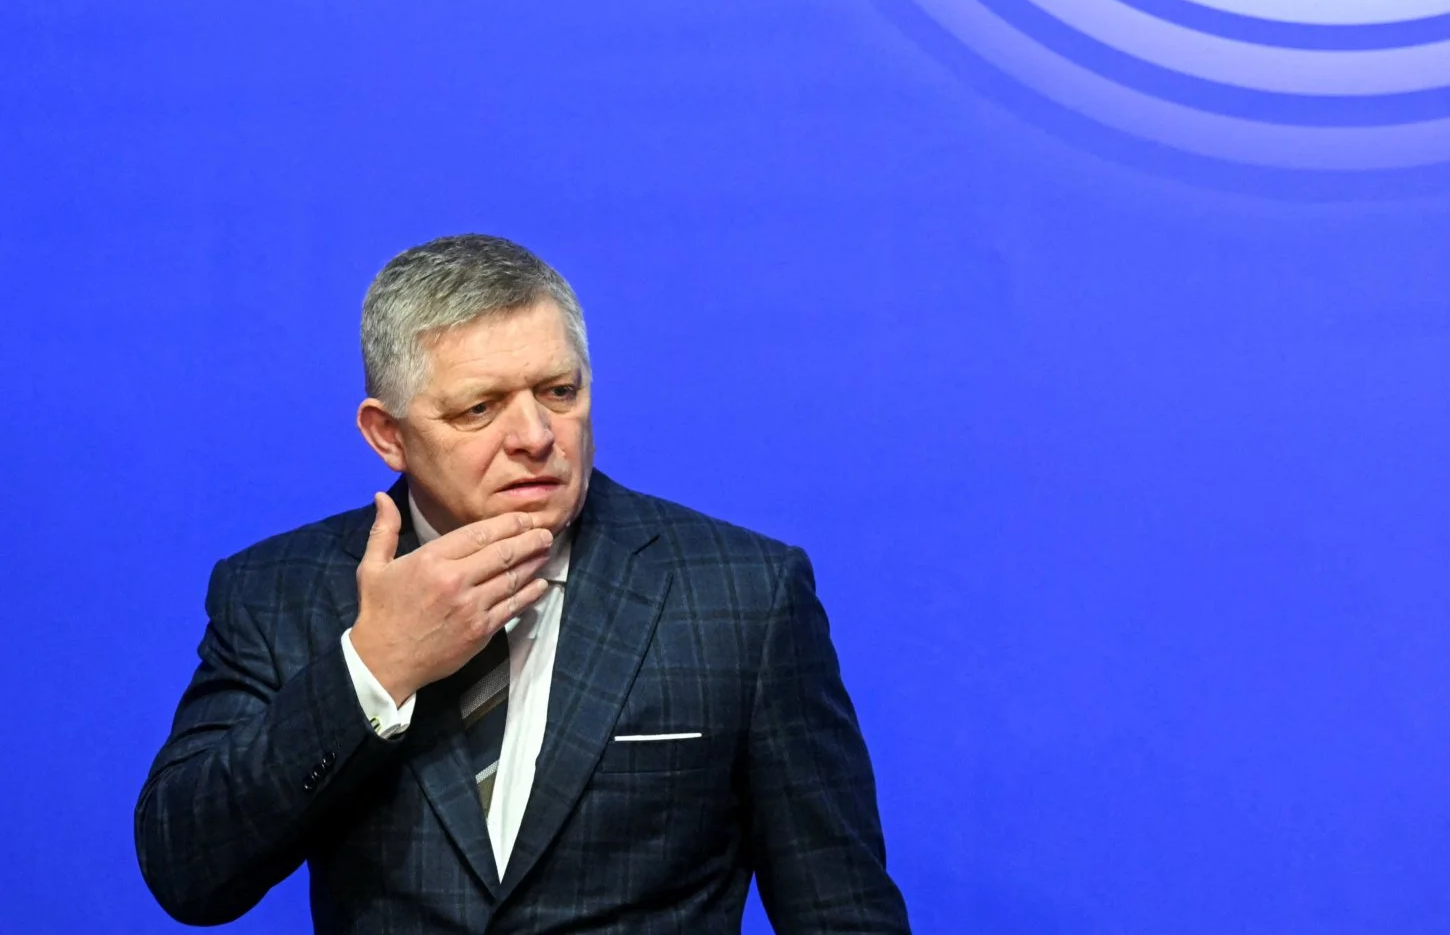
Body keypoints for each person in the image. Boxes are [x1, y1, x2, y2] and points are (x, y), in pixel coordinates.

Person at [134, 234, 911, 933]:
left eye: (559, 392)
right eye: (480, 408)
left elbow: (841, 912)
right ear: (387, 435)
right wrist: (374, 669)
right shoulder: (279, 591)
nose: (536, 437)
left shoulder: (742, 595)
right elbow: (189, 871)